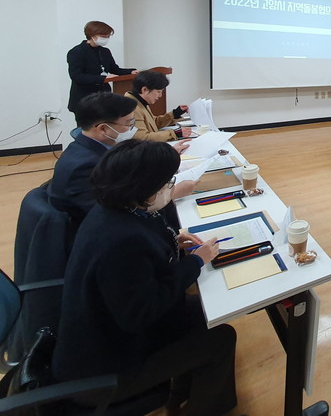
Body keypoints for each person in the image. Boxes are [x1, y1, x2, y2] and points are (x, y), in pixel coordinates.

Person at [52, 140, 237, 416]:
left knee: (204, 313)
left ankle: (181, 395)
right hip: (106, 368)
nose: (169, 188)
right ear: (145, 188)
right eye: (167, 183)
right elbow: (142, 313)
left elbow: (143, 262)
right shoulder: (123, 241)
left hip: (105, 332)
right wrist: (196, 262)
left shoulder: (113, 209)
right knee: (221, 339)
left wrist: (173, 242)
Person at [48, 92, 195, 223]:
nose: (133, 129)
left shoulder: (93, 146)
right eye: (129, 123)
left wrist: (164, 157)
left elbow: (129, 162)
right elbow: (112, 215)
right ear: (103, 128)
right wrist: (172, 194)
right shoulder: (85, 166)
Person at [67, 21, 137, 112]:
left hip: (103, 97)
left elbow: (114, 69)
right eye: (103, 36)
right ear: (92, 35)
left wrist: (131, 72)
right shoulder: (77, 52)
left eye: (108, 36)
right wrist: (102, 79)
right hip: (84, 98)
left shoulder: (105, 51)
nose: (106, 39)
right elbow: (76, 76)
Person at [126, 70, 192, 142]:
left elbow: (153, 123)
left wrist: (175, 113)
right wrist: (174, 134)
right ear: (145, 90)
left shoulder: (140, 101)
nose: (160, 95)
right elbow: (142, 137)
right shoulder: (132, 108)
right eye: (158, 92)